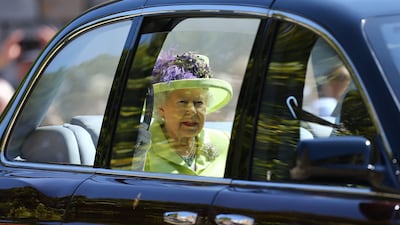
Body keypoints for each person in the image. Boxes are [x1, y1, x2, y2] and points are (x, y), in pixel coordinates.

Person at [139, 51, 233, 177]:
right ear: (160, 107)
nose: (192, 111)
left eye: (199, 102)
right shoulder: (142, 149)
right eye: (183, 102)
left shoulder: (225, 142)